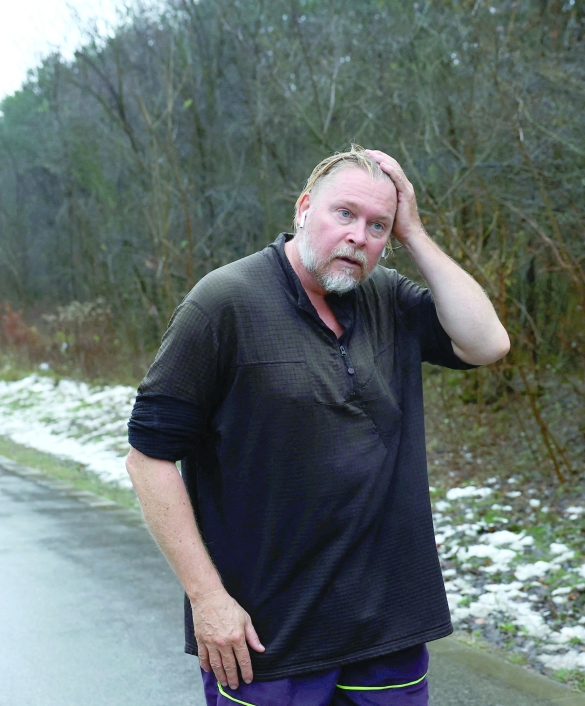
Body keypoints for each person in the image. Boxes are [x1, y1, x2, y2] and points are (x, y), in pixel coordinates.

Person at [125, 145, 510, 706]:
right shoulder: (224, 303)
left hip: (387, 628)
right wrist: (207, 598)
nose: (359, 236)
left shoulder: (386, 298)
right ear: (304, 208)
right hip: (267, 637)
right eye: (345, 213)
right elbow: (148, 459)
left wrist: (417, 234)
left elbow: (487, 342)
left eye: (379, 225)